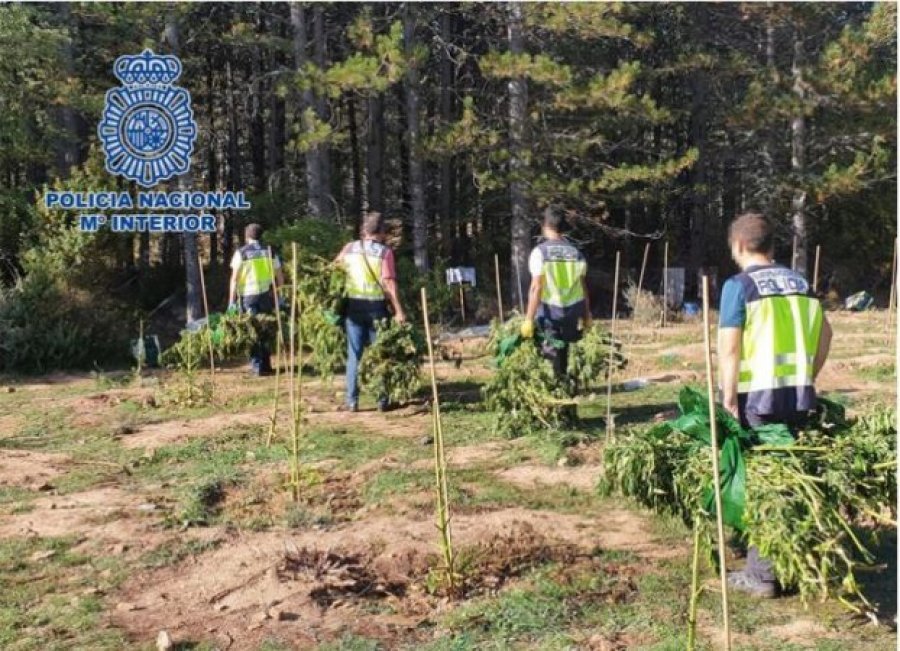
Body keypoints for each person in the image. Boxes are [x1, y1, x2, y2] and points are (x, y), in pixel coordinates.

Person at [718, 212, 832, 598]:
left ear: (737, 246)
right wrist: (807, 373)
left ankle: (762, 575)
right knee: (787, 478)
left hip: (758, 400)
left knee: (765, 485)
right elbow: (826, 333)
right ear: (772, 246)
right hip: (798, 395)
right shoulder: (800, 283)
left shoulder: (740, 286)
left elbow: (730, 347)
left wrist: (727, 400)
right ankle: (785, 559)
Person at [336, 211, 406, 412]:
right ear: (381, 232)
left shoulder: (349, 249)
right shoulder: (384, 253)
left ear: (364, 231)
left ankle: (352, 401)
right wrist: (399, 311)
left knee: (354, 354)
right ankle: (382, 400)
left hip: (353, 307)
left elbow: (334, 269)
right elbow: (389, 283)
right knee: (380, 354)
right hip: (376, 309)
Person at [520, 206, 592, 379]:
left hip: (549, 314)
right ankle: (568, 396)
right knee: (567, 356)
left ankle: (554, 394)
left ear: (545, 225)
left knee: (550, 358)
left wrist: (528, 319)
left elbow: (536, 287)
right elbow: (583, 288)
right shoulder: (576, 254)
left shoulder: (540, 253)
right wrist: (587, 315)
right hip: (571, 313)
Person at [228, 223, 284, 376]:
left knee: (253, 330)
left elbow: (234, 279)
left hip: (248, 297)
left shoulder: (242, 253)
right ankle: (267, 366)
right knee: (265, 330)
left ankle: (257, 367)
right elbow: (279, 276)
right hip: (265, 295)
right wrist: (281, 295)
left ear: (247, 236)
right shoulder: (270, 252)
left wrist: (231, 302)